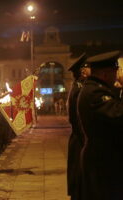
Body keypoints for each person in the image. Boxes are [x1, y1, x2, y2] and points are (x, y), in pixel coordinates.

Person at [77, 51, 123, 200]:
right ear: (105, 74)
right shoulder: (95, 93)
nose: (117, 76)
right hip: (102, 161)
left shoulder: (97, 89)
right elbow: (118, 115)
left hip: (104, 158)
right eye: (115, 72)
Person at [66, 53, 90, 200]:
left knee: (79, 181)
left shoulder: (77, 86)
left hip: (78, 139)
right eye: (88, 67)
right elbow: (78, 120)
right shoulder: (81, 89)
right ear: (82, 71)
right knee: (81, 180)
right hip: (81, 140)